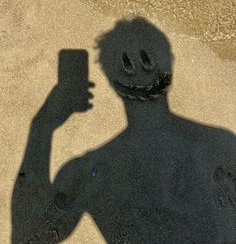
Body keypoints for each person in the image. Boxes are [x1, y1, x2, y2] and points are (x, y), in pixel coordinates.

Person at [12, 18, 236, 243]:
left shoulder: (89, 173)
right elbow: (28, 237)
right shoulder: (219, 146)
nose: (138, 67)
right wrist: (42, 125)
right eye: (127, 63)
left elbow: (27, 237)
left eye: (146, 58)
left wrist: (42, 127)